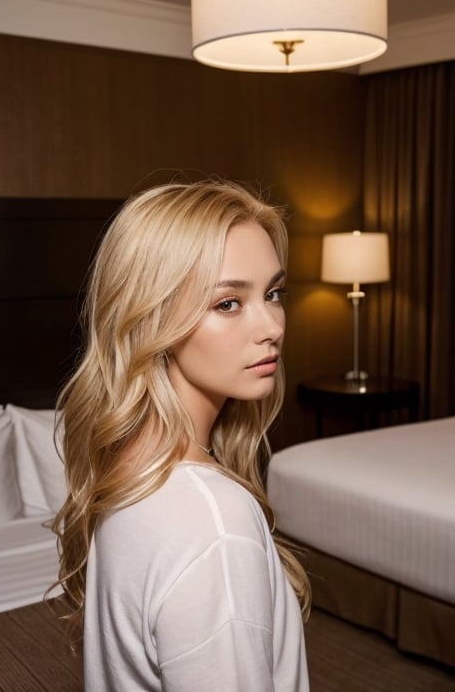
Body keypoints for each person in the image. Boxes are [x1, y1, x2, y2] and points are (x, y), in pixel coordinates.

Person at [52, 178, 311, 691]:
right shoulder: (214, 524)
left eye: (273, 293)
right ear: (150, 318)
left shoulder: (128, 472)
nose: (273, 326)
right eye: (228, 303)